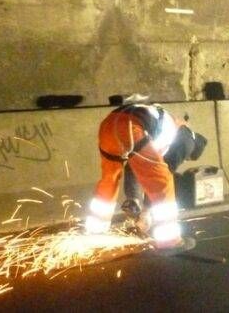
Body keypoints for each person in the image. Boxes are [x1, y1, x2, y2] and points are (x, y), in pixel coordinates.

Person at [85, 95, 206, 248]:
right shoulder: (187, 140)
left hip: (108, 125)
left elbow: (134, 165)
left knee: (109, 179)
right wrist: (147, 212)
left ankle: (95, 230)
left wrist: (134, 198)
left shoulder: (166, 129)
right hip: (131, 126)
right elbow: (158, 178)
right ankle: (170, 241)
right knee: (164, 181)